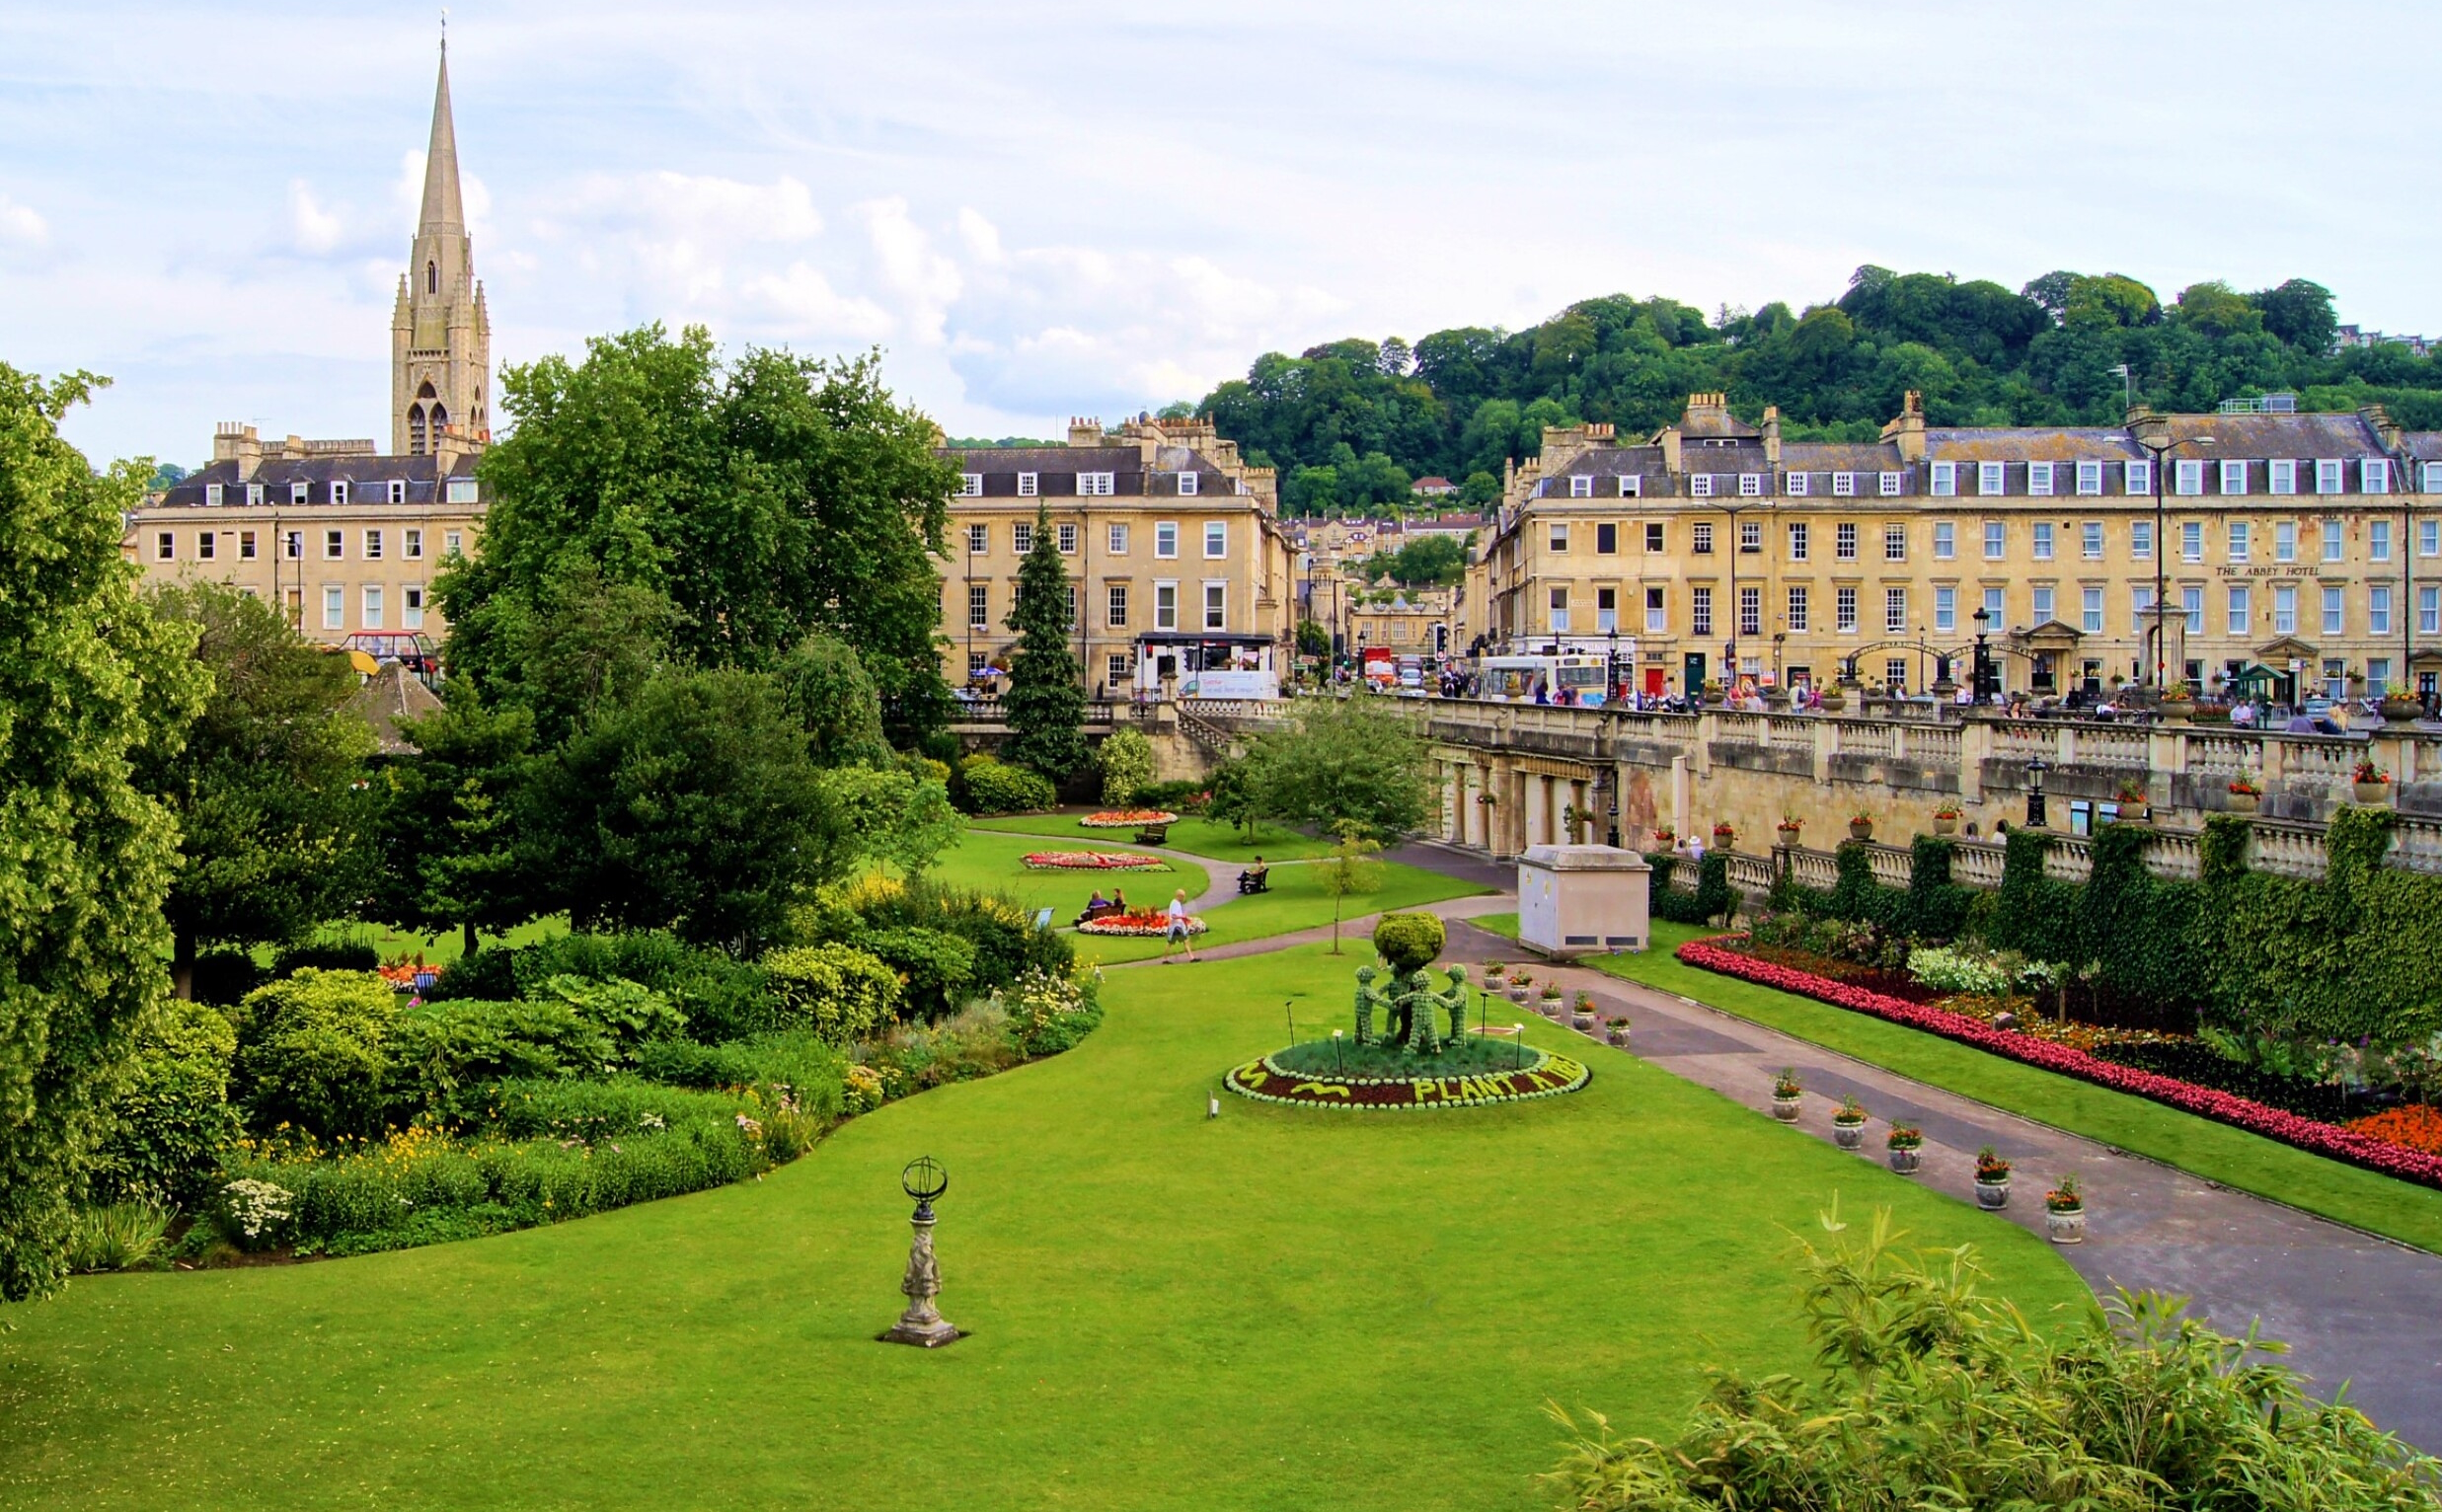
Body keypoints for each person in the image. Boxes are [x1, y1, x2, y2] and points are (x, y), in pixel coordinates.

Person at [1162, 887, 1197, 963]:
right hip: (1176, 927)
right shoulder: (1175, 903)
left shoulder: (1175, 903)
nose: (1183, 898)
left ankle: (1165, 959)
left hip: (1176, 926)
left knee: (1172, 943)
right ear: (1179, 896)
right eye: (1183, 896)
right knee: (1183, 942)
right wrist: (1183, 917)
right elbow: (1174, 916)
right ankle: (1191, 958)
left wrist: (1184, 919)